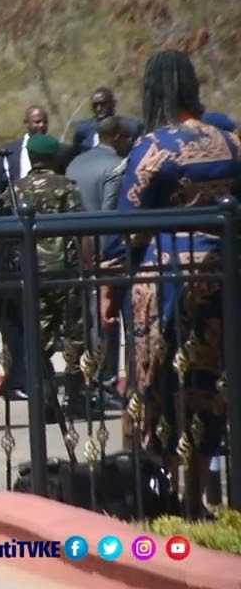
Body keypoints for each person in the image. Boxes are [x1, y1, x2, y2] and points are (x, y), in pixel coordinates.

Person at [100, 50, 241, 512]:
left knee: (159, 386)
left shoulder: (154, 147)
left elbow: (129, 224)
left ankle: (164, 494)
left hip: (165, 282)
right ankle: (201, 495)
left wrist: (109, 285)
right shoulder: (231, 143)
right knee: (210, 385)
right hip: (223, 278)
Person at [0, 134, 88, 414]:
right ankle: (76, 398)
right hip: (65, 272)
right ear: (54, 158)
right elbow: (81, 228)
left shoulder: (16, 190)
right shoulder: (66, 186)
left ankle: (46, 401)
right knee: (75, 335)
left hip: (32, 274)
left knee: (38, 339)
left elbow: (0, 230)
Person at [65, 117, 135, 400]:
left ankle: (84, 380)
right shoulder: (118, 166)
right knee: (109, 321)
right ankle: (105, 383)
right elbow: (109, 215)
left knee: (87, 321)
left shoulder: (75, 164)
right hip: (106, 255)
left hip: (76, 252)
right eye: (128, 138)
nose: (130, 143)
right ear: (117, 138)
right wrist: (105, 256)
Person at [67, 87, 145, 160]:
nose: (99, 109)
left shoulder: (132, 126)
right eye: (95, 105)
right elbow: (75, 155)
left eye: (103, 104)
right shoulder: (82, 129)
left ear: (113, 103)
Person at [1, 106, 52, 183]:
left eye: (45, 122)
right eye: (37, 122)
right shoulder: (8, 152)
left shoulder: (57, 149)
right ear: (26, 122)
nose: (42, 125)